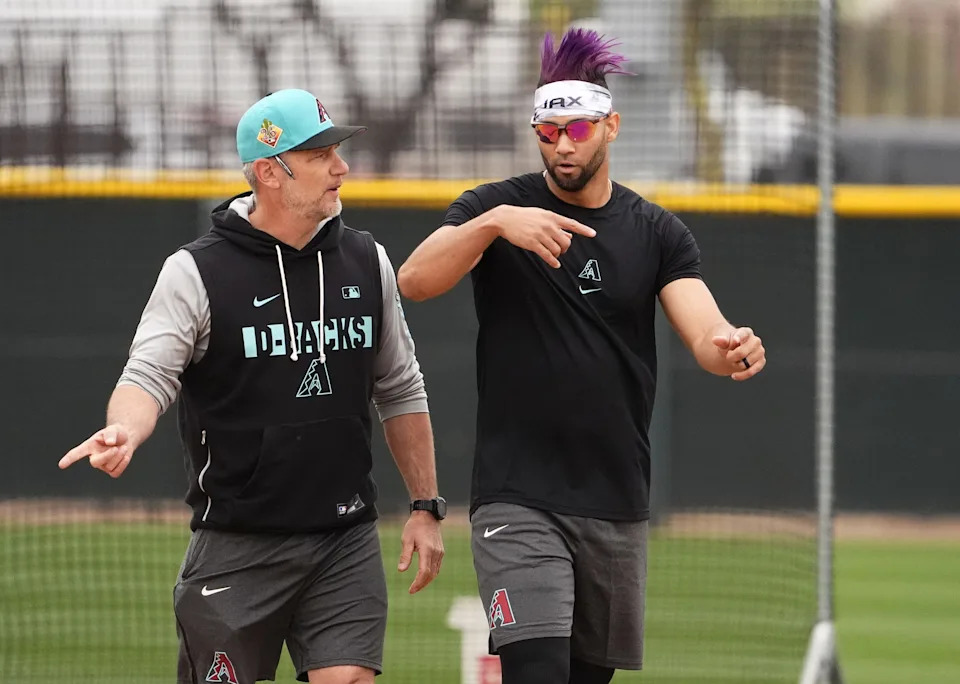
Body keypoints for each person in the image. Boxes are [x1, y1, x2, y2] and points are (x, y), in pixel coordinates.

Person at [397, 29, 767, 684]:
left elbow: (706, 335)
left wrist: (731, 347)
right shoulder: (493, 206)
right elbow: (414, 281)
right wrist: (491, 225)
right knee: (536, 672)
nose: (563, 145)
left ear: (610, 126)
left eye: (578, 129)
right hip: (518, 499)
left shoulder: (657, 232)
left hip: (615, 499)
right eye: (548, 132)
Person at [59, 88, 446, 684]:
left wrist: (425, 506)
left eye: (338, 150)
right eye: (320, 155)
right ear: (269, 171)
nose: (341, 168)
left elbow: (400, 387)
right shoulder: (196, 270)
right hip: (237, 542)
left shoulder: (368, 260)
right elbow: (149, 374)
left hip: (343, 538)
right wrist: (124, 428)